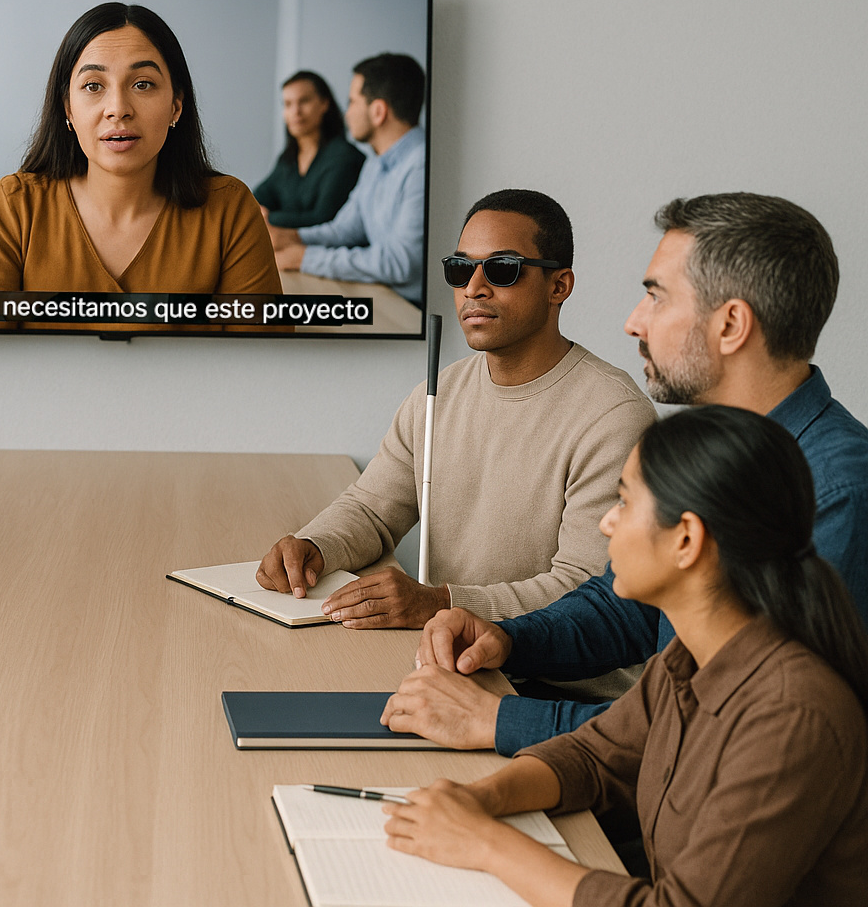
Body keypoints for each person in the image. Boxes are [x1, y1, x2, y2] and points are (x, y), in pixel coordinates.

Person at [383, 193, 868, 755]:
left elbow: (737, 738)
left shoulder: (835, 494)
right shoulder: (716, 450)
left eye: (656, 298)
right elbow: (631, 609)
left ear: (731, 324)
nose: (633, 322)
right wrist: (508, 639)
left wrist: (504, 721)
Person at [383, 406, 868, 907]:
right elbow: (593, 756)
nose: (606, 522)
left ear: (686, 538)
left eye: (624, 501)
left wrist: (486, 844)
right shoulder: (687, 659)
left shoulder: (792, 715)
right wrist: (480, 799)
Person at [258, 189, 655, 631]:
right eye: (460, 268)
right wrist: (317, 546)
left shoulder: (614, 417)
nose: (473, 288)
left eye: (503, 269)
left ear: (558, 286)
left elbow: (585, 590)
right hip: (452, 655)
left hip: (550, 685)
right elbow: (373, 510)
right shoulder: (438, 393)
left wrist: (440, 603)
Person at [0, 2, 282, 331]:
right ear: (68, 108)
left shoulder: (230, 209)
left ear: (176, 106)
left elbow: (263, 368)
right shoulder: (14, 206)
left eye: (143, 84)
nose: (118, 109)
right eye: (93, 85)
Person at [268, 53, 427, 306]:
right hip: (381, 295)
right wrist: (294, 238)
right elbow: (344, 229)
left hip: (408, 308)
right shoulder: (375, 163)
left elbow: (401, 262)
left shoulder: (421, 165)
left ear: (378, 112)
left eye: (352, 102)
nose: (346, 114)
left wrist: (305, 258)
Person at [252, 70, 364, 229]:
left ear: (324, 103)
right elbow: (260, 196)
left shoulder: (344, 157)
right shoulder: (288, 159)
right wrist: (255, 211)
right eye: (288, 104)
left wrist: (269, 218)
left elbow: (324, 218)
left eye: (304, 101)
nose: (295, 112)